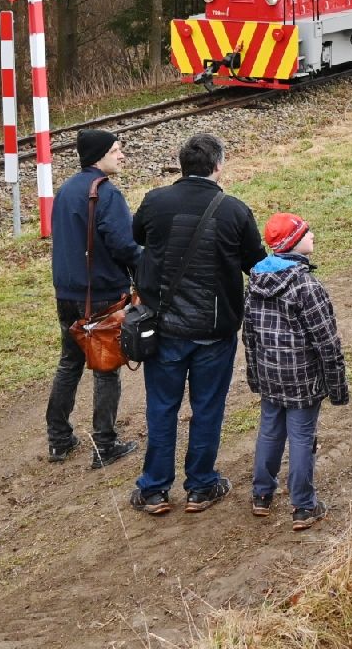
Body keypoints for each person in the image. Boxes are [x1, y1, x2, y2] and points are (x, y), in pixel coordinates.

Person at [129, 132, 266, 515]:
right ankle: (201, 486)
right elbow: (255, 264)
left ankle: (154, 490)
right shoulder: (235, 210)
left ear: (181, 164)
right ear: (218, 165)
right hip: (215, 331)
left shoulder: (155, 202)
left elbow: (136, 236)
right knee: (207, 408)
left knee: (161, 408)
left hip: (165, 328)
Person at [245, 212, 349, 530]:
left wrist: (255, 375)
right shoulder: (306, 285)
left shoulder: (255, 282)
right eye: (306, 232)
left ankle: (262, 495)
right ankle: (303, 506)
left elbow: (248, 335)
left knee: (270, 431)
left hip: (269, 374)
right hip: (303, 378)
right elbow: (327, 341)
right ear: (294, 243)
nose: (313, 235)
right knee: (302, 437)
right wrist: (337, 387)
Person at [46, 129, 141, 467]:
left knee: (69, 362)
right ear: (99, 155)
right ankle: (105, 444)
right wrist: (147, 261)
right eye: (116, 150)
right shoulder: (107, 194)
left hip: (67, 293)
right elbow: (124, 246)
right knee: (105, 367)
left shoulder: (66, 190)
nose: (122, 155)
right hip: (101, 294)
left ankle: (58, 440)